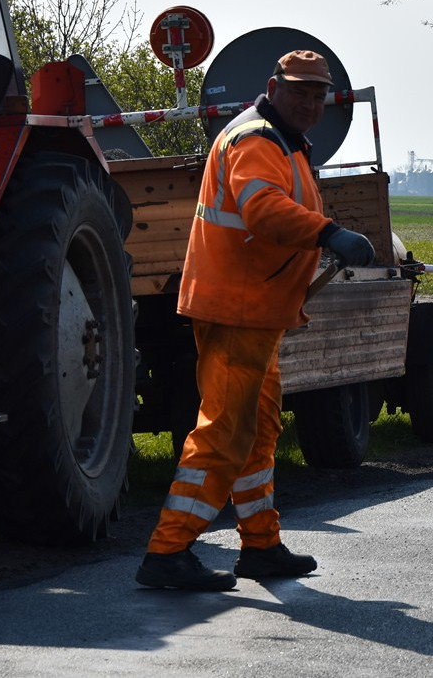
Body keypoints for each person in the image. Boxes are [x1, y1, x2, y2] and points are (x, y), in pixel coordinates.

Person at [136, 50, 376, 590]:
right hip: (236, 309)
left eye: (318, 94)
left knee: (258, 428)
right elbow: (262, 209)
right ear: (274, 86)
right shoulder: (258, 140)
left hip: (253, 311)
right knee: (224, 430)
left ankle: (260, 545)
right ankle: (168, 549)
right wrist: (327, 232)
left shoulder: (280, 140)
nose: (311, 103)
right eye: (300, 92)